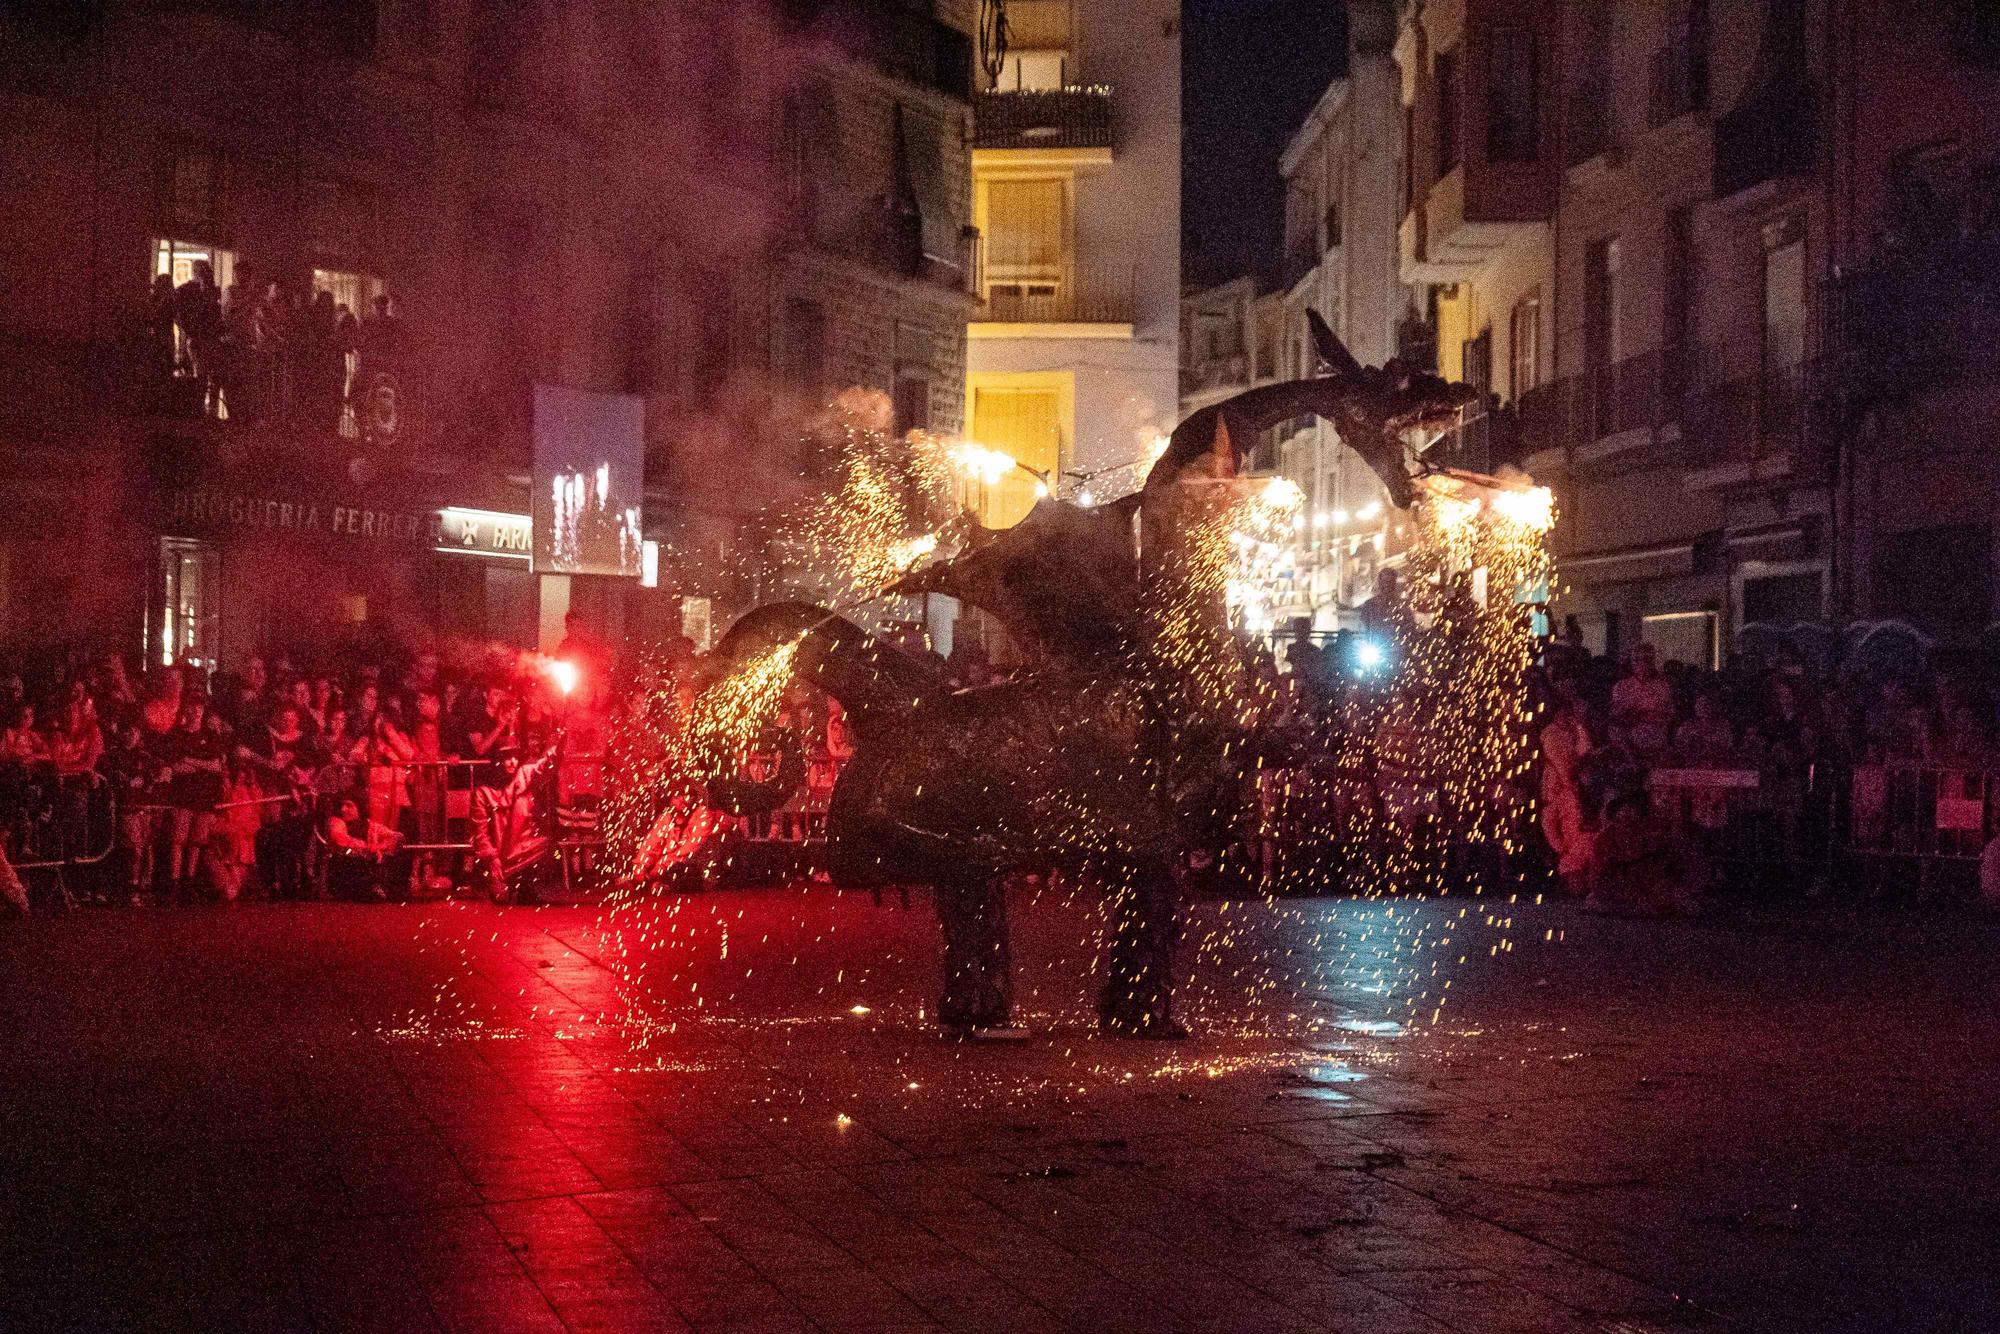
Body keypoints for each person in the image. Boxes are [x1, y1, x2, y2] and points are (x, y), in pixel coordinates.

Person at [472, 742, 560, 905]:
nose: (512, 761)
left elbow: (544, 766)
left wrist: (559, 745)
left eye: (515, 757)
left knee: (548, 845)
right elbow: (480, 832)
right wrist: (492, 859)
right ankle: (502, 884)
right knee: (500, 898)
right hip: (496, 856)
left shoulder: (523, 774)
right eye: (507, 757)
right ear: (497, 760)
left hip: (522, 848)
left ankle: (526, 885)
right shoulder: (482, 792)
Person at [324, 795, 402, 901]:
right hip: (343, 876)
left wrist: (380, 846)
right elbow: (338, 837)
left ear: (359, 808)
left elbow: (397, 837)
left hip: (363, 877)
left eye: (349, 805)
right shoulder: (336, 822)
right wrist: (366, 847)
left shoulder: (372, 827)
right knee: (353, 855)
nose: (343, 809)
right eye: (342, 805)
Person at [1610, 643, 1675, 758]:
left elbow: (1666, 715)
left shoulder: (1663, 686)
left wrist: (1637, 714)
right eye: (1636, 659)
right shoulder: (1621, 686)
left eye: (1646, 659)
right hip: (1627, 738)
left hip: (1654, 735)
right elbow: (1617, 714)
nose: (1642, 663)